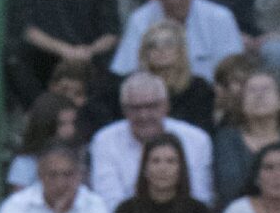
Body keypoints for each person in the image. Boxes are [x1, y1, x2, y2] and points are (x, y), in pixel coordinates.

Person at [89, 70, 214, 205]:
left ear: (166, 106)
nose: (144, 116)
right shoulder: (105, 141)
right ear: (124, 110)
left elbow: (200, 198)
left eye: (151, 106)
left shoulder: (196, 140)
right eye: (135, 108)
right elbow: (109, 201)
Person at [211, 70, 280, 209]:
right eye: (252, 90)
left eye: (266, 89)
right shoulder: (227, 140)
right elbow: (230, 188)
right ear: (241, 103)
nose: (259, 95)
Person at [110, 0, 242, 84]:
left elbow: (233, 69)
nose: (174, 0)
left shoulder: (220, 18)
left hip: (208, 96)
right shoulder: (139, 20)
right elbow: (124, 71)